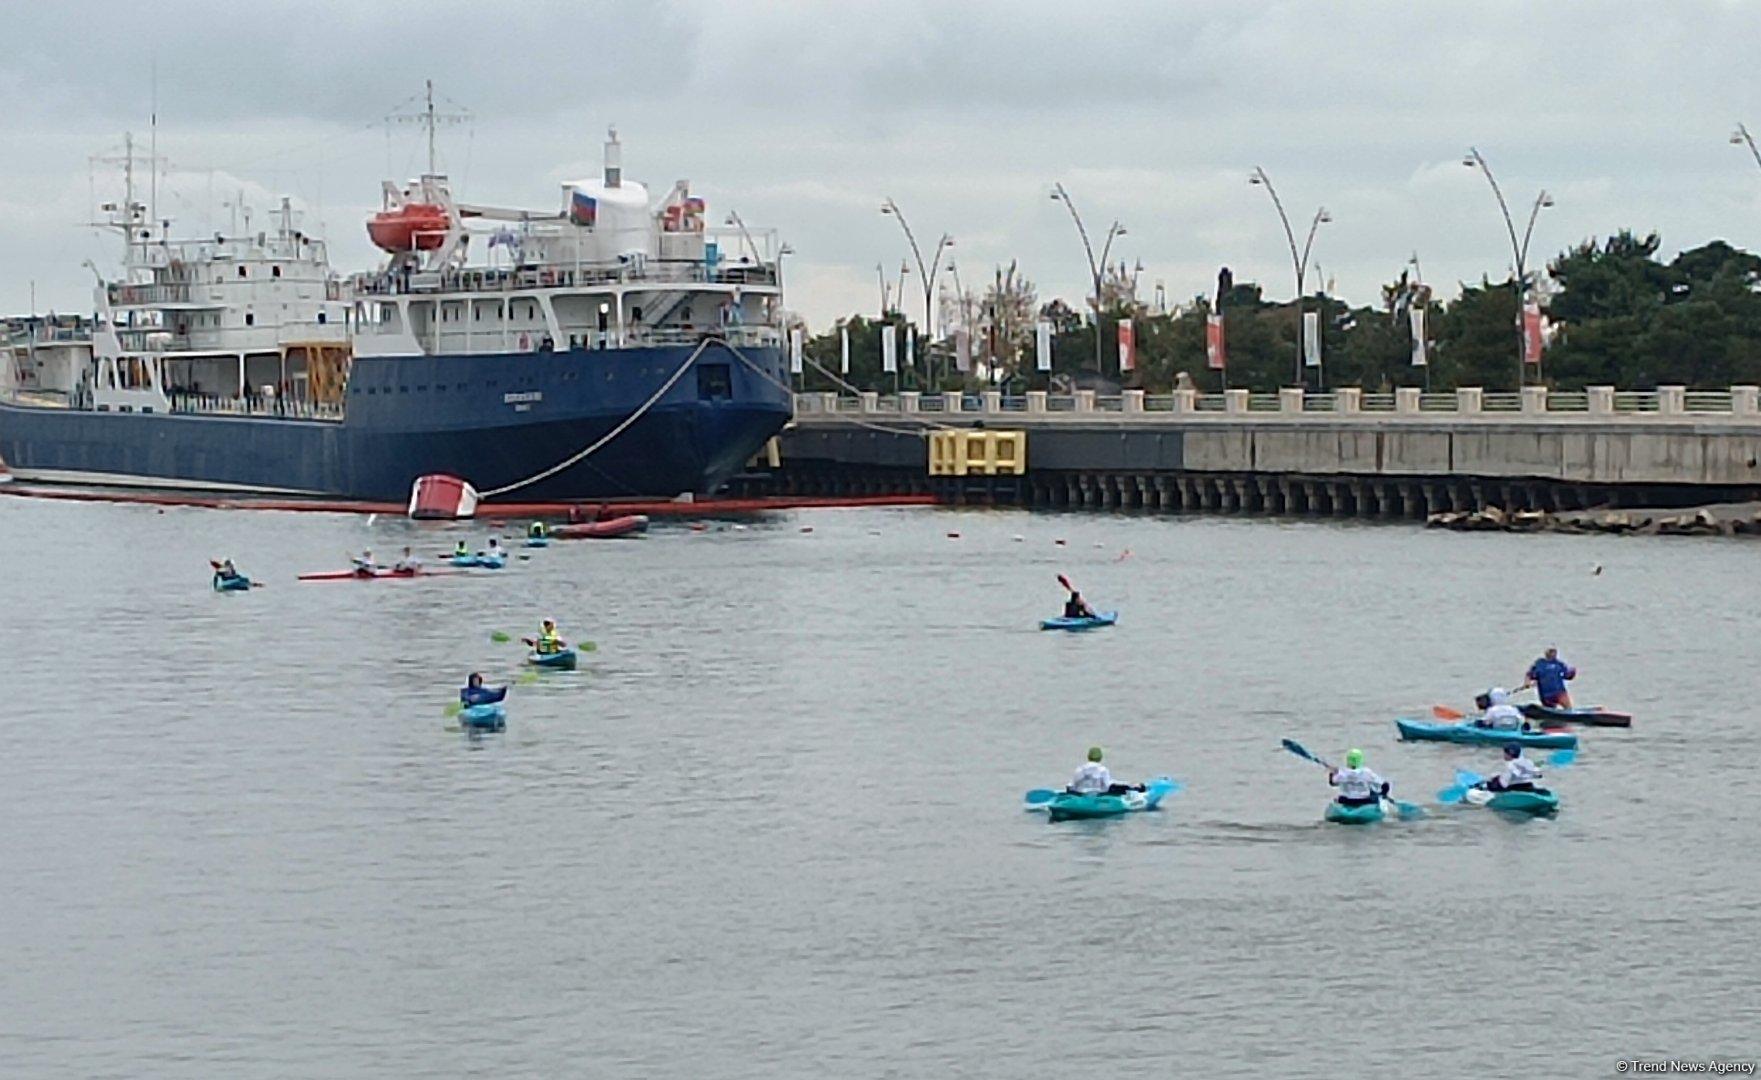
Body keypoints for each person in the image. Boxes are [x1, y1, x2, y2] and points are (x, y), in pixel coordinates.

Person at [1066, 746, 1144, 797]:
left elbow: (1073, 784)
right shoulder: (1102, 770)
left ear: (1088, 756)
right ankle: (1136, 789)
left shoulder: (1080, 769)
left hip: (1081, 793)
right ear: (1100, 757)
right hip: (1097, 794)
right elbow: (1107, 786)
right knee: (1120, 787)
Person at [1481, 743, 1547, 794]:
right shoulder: (1527, 762)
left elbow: (1504, 785)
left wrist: (1491, 784)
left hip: (1516, 788)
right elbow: (1538, 774)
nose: (1504, 755)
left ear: (1509, 754)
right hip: (1528, 786)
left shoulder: (1510, 765)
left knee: (1491, 782)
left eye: (1505, 753)